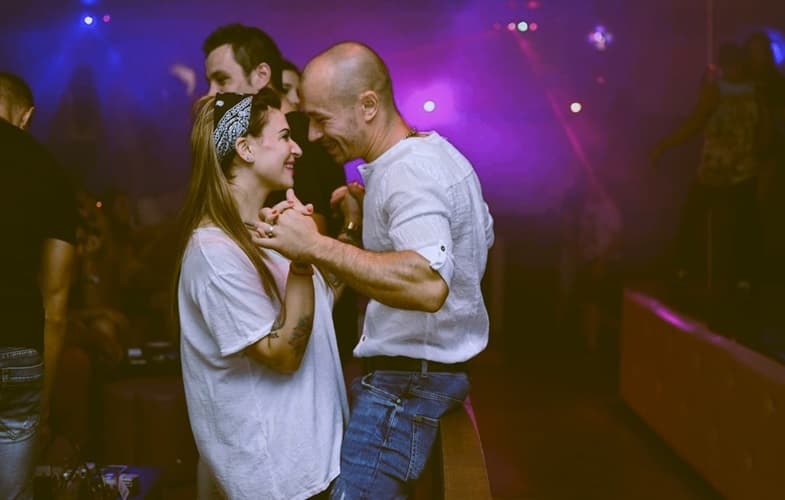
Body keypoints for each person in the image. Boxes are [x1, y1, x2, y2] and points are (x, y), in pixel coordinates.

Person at [253, 42, 495, 498]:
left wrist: (315, 245)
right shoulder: (434, 158)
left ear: (368, 105)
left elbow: (428, 284)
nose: (311, 135)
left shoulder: (410, 172)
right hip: (419, 377)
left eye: (321, 119)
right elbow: (476, 239)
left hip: (408, 382)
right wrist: (362, 228)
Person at [171, 89, 348, 499]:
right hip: (275, 479)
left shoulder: (268, 232)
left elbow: (314, 309)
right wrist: (303, 260)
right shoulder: (213, 252)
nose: (297, 149)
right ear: (245, 148)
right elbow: (284, 353)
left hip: (311, 467)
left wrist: (349, 232)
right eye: (285, 136)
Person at [0, 71, 77, 499]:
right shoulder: (49, 170)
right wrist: (44, 401)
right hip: (19, 353)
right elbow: (57, 299)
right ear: (26, 116)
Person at [202, 24, 346, 235]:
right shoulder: (284, 135)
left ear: (261, 75)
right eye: (210, 83)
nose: (212, 93)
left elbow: (311, 238)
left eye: (222, 80)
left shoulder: (296, 137)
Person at [651, 42, 760, 292]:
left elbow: (693, 124)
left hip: (717, 169)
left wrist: (664, 146)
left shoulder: (717, 92)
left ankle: (684, 267)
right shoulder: (755, 92)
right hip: (743, 169)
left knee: (695, 218)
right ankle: (743, 276)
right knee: (742, 224)